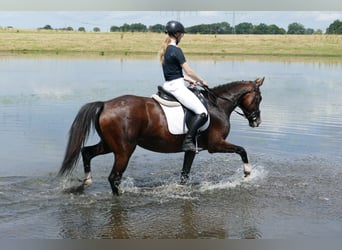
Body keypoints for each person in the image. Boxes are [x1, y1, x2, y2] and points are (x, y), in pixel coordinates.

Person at [159, 20, 209, 152]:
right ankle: (188, 141)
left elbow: (173, 73)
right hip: (177, 87)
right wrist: (202, 80)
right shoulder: (176, 50)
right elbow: (189, 71)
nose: (182, 36)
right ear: (177, 34)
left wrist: (187, 80)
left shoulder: (166, 50)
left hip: (169, 85)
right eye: (181, 34)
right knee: (202, 112)